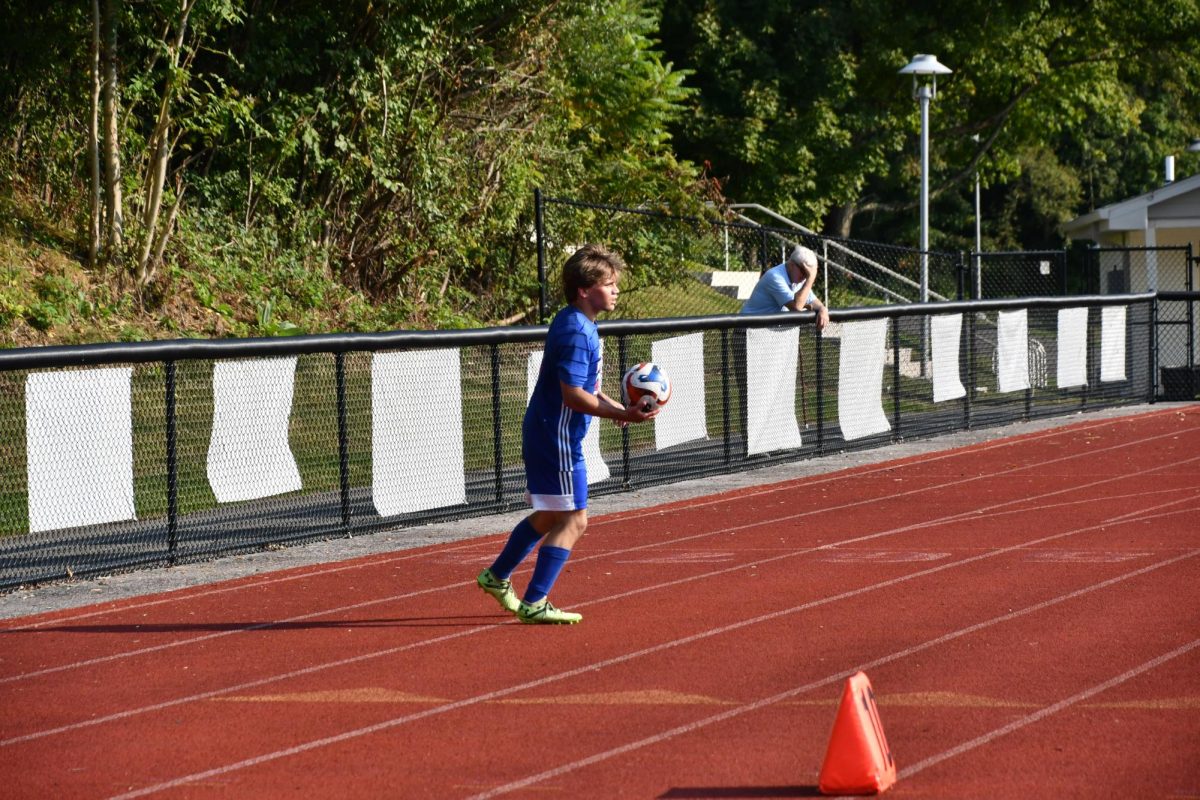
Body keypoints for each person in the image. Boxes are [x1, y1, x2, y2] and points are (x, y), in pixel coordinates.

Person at [476, 243, 659, 624]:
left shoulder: (575, 321)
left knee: (547, 516)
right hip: (556, 438)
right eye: (609, 283)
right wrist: (620, 413)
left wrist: (617, 407)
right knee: (575, 520)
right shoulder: (579, 331)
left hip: (548, 431)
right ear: (584, 289)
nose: (616, 290)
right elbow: (573, 395)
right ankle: (535, 601)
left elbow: (585, 384)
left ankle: (496, 577)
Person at [740, 244, 830, 328]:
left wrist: (823, 309)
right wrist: (810, 279)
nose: (805, 276)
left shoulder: (799, 280)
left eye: (808, 273)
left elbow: (813, 301)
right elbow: (796, 307)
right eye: (804, 271)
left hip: (768, 334)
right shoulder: (775, 277)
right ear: (791, 265)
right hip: (747, 332)